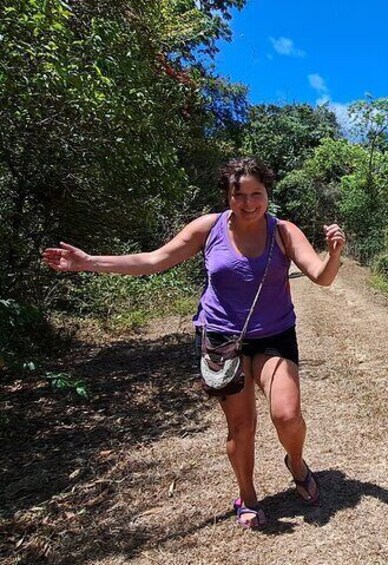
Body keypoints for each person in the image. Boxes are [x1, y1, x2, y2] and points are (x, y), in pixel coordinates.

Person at [42, 157, 345, 529]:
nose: (249, 203)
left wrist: (333, 256)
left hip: (273, 335)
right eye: (240, 195)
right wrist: (88, 262)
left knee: (286, 414)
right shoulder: (209, 227)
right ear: (227, 196)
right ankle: (248, 497)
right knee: (241, 426)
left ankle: (296, 462)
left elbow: (321, 277)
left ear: (268, 194)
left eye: (257, 194)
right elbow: (155, 260)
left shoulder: (283, 231)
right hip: (220, 338)